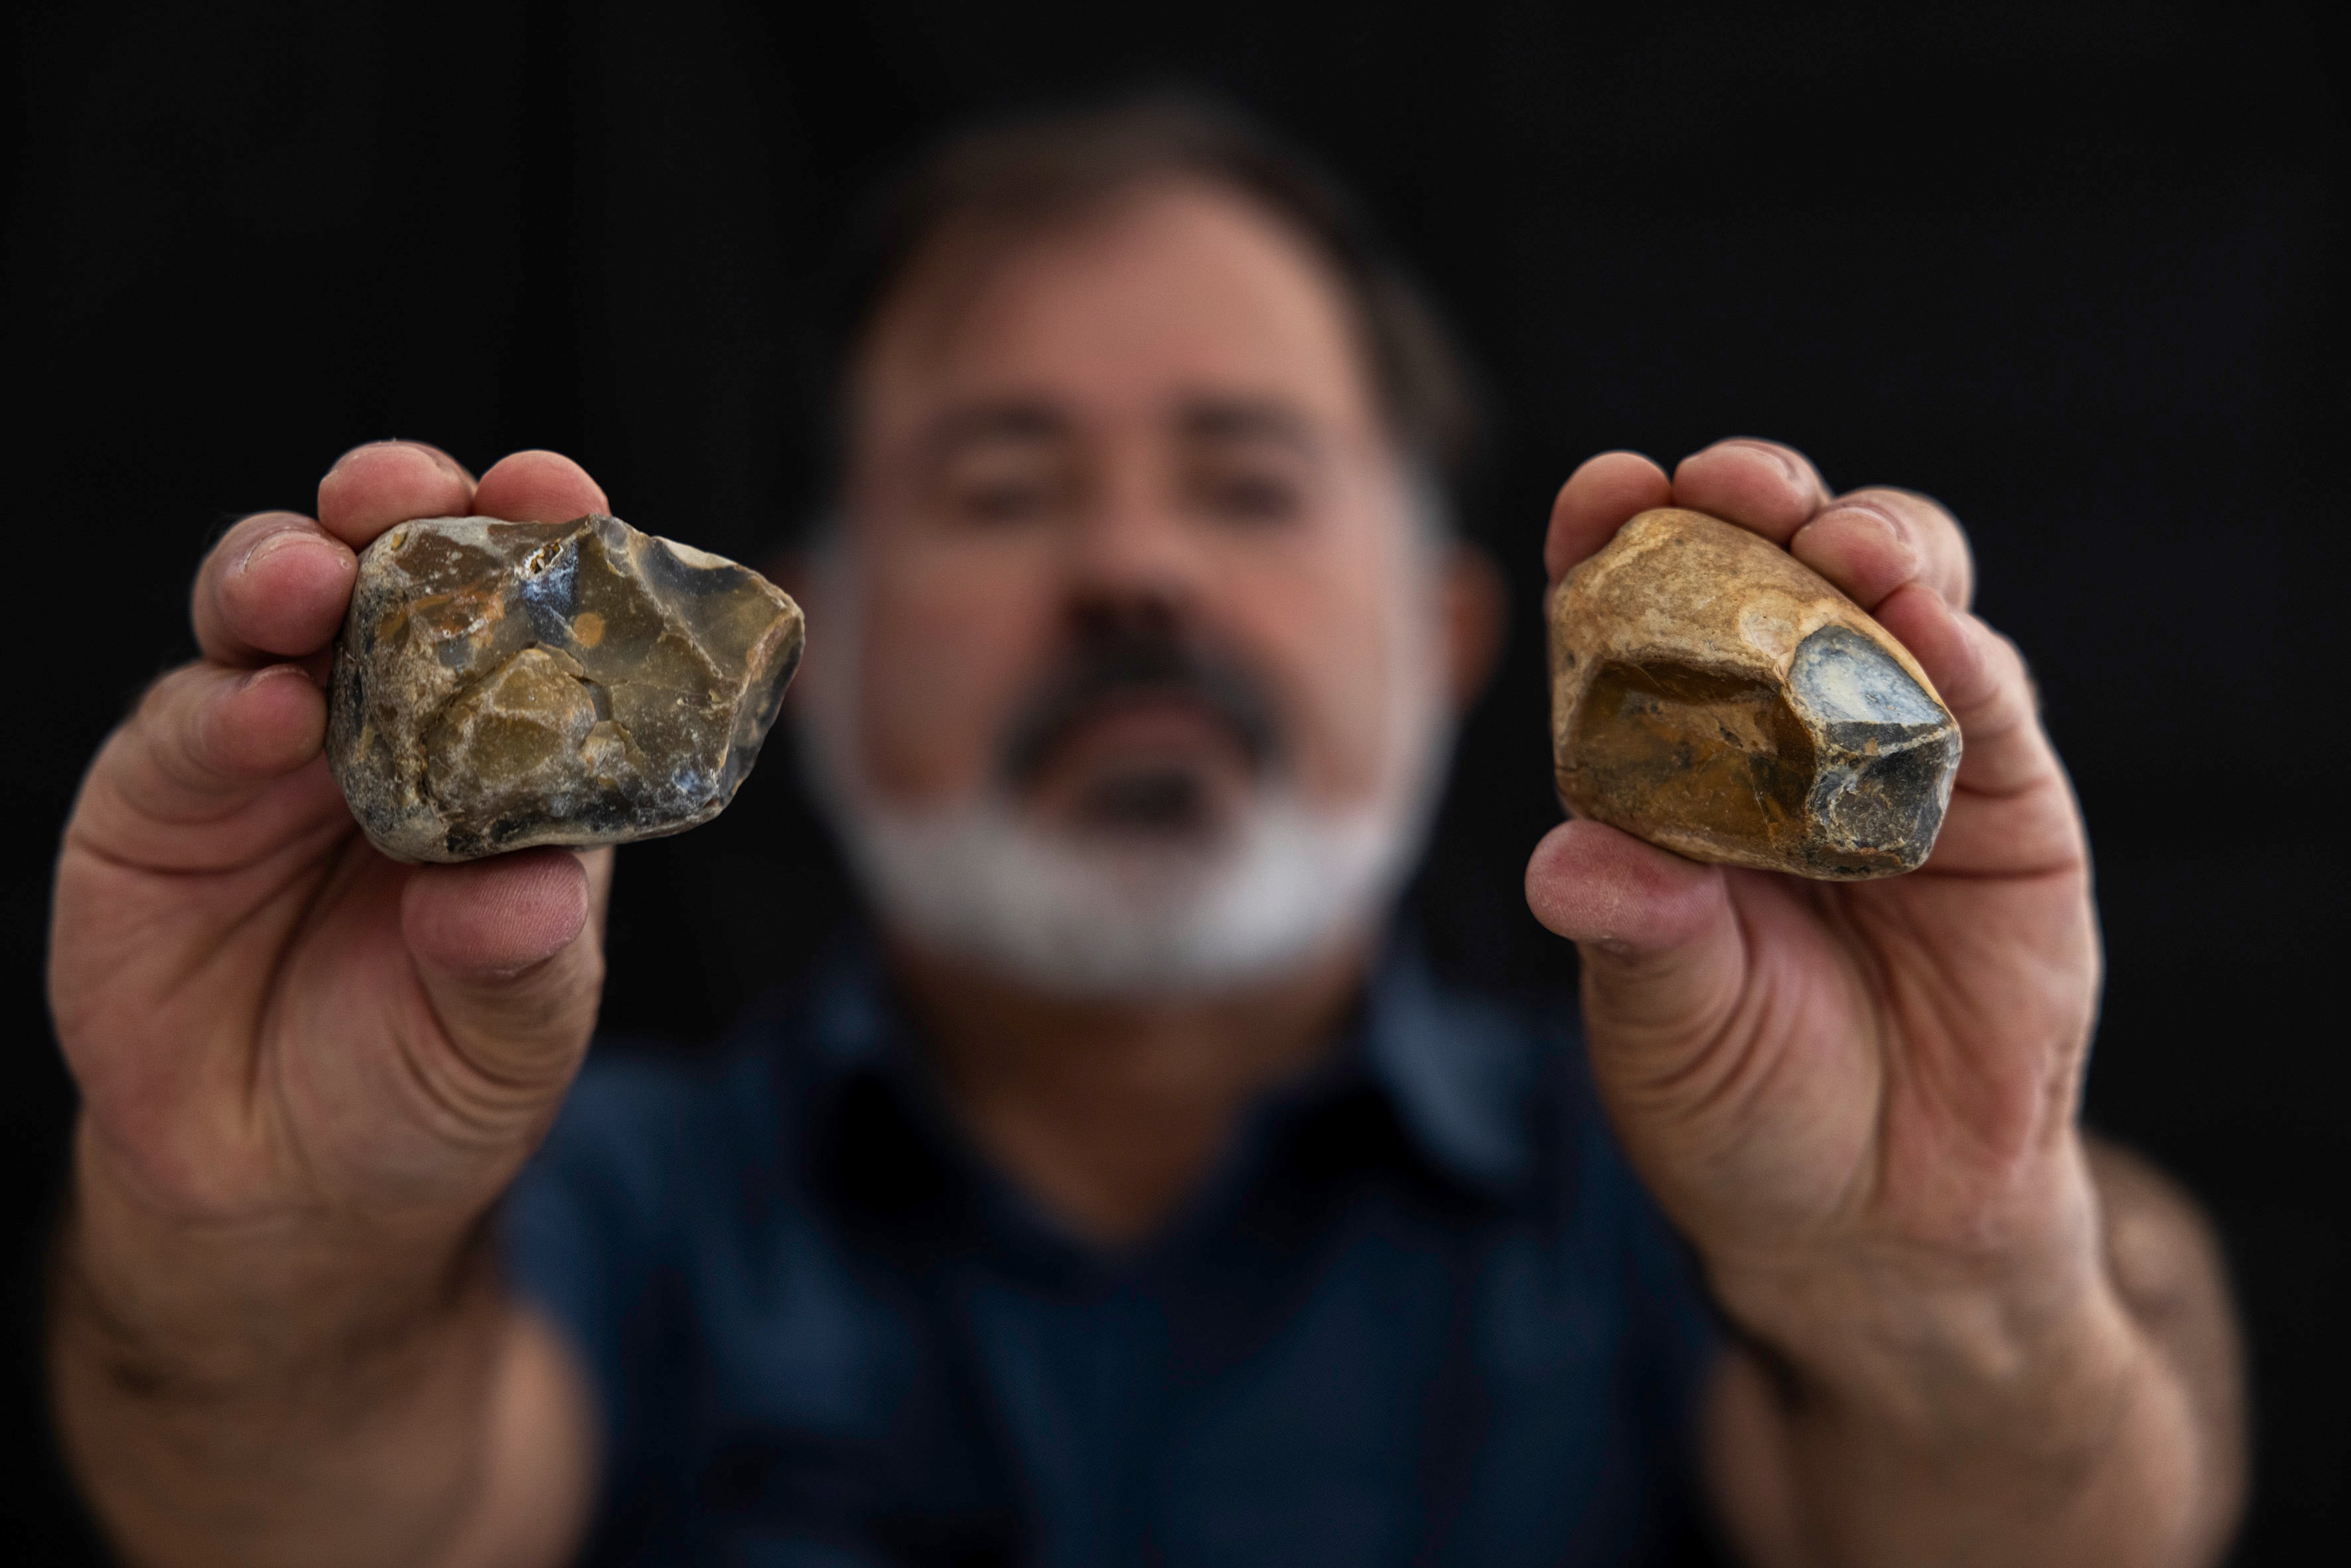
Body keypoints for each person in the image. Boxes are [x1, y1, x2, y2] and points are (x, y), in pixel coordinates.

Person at [46, 99, 2245, 1567]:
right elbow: (318, 1516)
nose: (1134, 573)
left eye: (1250, 477)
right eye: (1000, 485)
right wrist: (256, 1266)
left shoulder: (1684, 1204)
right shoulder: (583, 1202)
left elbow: (2065, 1519)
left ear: (1467, 630)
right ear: (812, 625)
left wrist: (1957, 1276)